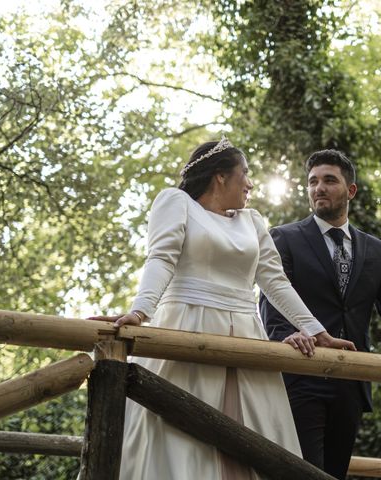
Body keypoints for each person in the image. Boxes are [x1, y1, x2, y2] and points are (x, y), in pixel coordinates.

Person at [90, 138, 355, 480]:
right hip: (187, 326)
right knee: (177, 430)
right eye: (244, 173)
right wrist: (140, 312)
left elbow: (276, 282)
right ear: (220, 177)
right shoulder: (176, 203)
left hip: (247, 336)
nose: (250, 183)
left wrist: (319, 333)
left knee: (256, 441)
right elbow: (161, 257)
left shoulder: (253, 221)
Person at [259, 149, 381, 479]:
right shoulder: (285, 238)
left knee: (335, 474)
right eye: (312, 182)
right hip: (300, 372)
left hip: (351, 381)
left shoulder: (375, 249)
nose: (319, 188)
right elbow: (273, 298)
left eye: (329, 180)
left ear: (351, 190)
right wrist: (282, 338)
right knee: (302, 472)